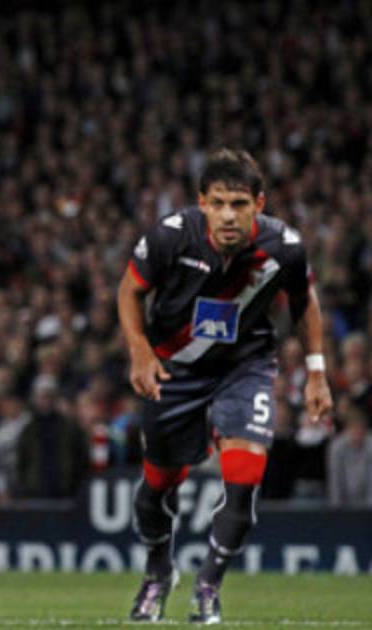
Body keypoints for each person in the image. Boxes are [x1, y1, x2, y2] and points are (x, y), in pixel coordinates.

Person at [118, 149, 332, 623]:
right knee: (158, 485)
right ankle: (158, 572)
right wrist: (139, 350)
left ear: (259, 203)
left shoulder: (284, 246)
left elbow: (305, 300)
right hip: (174, 370)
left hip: (244, 366)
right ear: (202, 203)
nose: (228, 215)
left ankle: (208, 585)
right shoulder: (171, 236)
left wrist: (316, 372)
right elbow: (130, 290)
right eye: (217, 203)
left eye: (239, 203)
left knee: (245, 477)